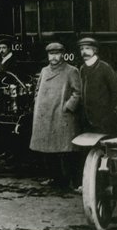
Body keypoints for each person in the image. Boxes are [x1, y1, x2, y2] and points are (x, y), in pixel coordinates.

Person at [30, 42, 82, 188]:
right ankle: (54, 178)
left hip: (61, 115)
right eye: (51, 54)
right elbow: (37, 89)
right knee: (47, 149)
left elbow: (78, 92)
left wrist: (68, 106)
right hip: (45, 115)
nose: (53, 57)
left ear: (62, 55)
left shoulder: (71, 71)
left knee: (65, 151)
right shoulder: (44, 71)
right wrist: (37, 103)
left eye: (57, 54)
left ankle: (71, 181)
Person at [78, 37, 117, 135]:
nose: (84, 52)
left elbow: (116, 90)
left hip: (103, 120)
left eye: (87, 48)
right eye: (82, 49)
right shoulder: (82, 69)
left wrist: (113, 113)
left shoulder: (105, 68)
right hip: (88, 120)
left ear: (95, 50)